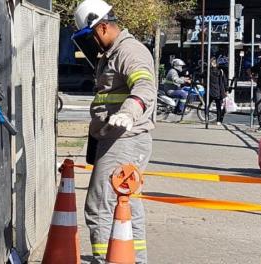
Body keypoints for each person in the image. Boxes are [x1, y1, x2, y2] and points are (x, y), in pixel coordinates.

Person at [73, 0, 157, 263]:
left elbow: (144, 86)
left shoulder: (129, 52)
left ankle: (104, 260)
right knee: (127, 205)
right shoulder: (112, 55)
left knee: (99, 206)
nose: (91, 44)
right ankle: (134, 259)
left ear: (101, 28)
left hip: (124, 138)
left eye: (90, 37)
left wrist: (128, 113)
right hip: (115, 139)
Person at [208, 58, 227, 125]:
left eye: (214, 62)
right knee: (217, 106)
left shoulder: (218, 71)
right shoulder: (210, 71)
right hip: (215, 90)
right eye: (212, 62)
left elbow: (224, 81)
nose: (213, 63)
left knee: (212, 106)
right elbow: (225, 81)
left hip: (214, 90)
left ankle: (217, 120)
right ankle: (217, 120)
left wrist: (226, 89)